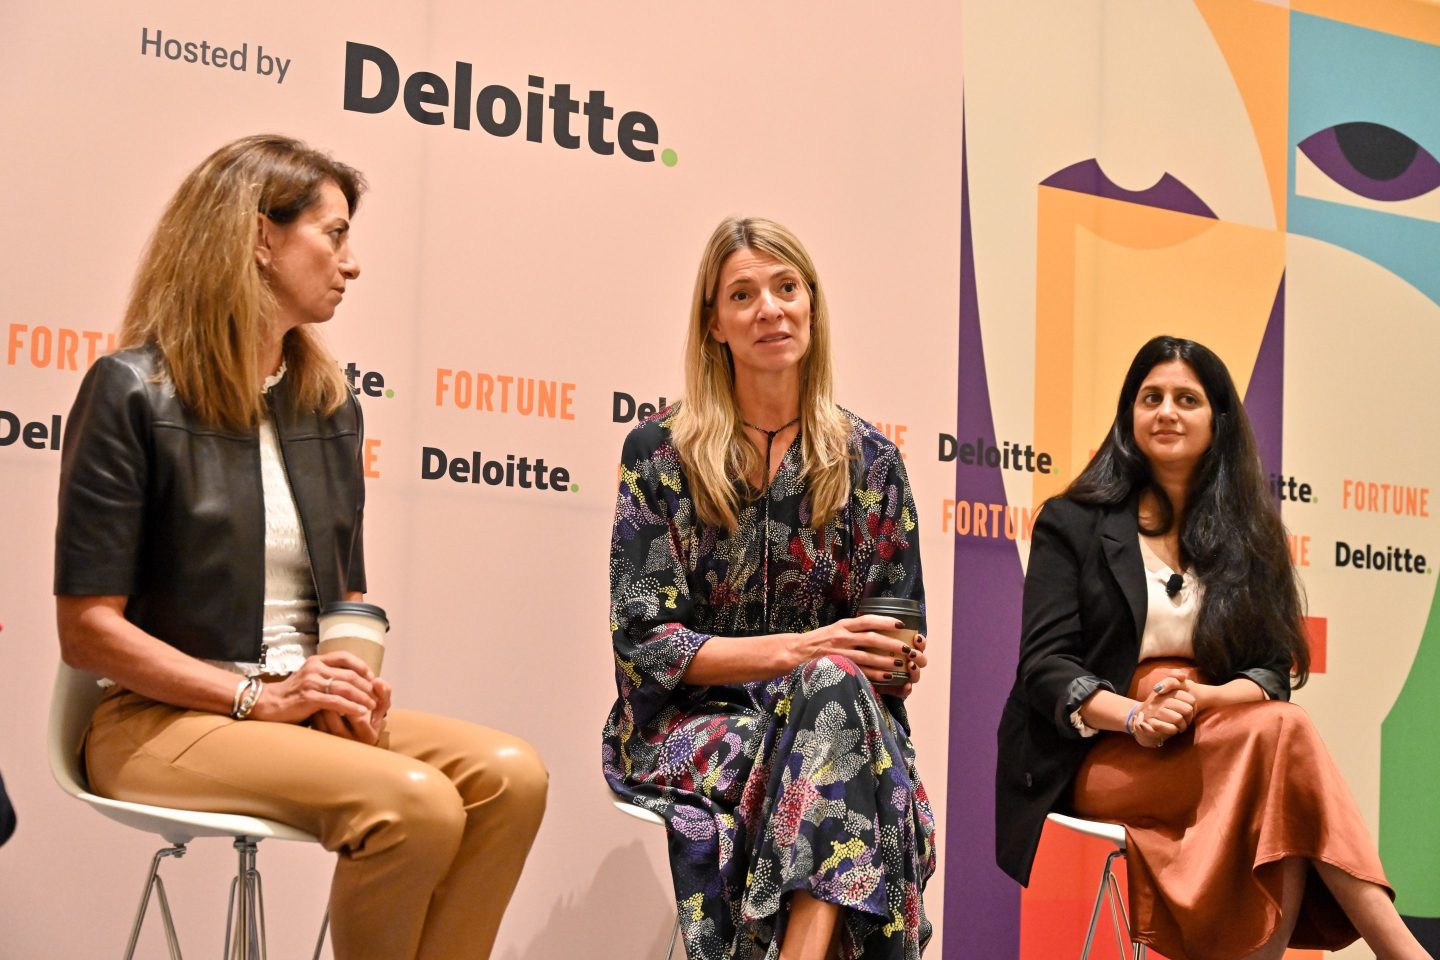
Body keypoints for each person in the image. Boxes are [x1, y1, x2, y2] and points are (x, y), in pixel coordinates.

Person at [54, 134, 547, 960]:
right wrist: (255, 699)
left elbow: (348, 592)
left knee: (511, 777)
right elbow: (88, 631)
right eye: (335, 233)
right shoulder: (132, 390)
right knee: (416, 804)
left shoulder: (326, 403)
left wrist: (344, 683)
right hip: (159, 719)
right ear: (258, 237)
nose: (351, 263)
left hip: (289, 710)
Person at [995, 335, 1431, 960]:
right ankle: (1400, 950)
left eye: (1186, 398)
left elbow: (1273, 667)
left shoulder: (1250, 533)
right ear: (1129, 415)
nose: (1166, 411)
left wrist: (1205, 698)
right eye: (1151, 397)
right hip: (1107, 753)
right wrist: (1137, 715)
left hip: (1221, 736)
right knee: (1284, 745)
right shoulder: (1073, 522)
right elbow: (1045, 666)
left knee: (1277, 747)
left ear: (1218, 419)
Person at [602, 217, 936, 960]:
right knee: (828, 720)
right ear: (713, 323)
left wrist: (888, 660)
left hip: (841, 713)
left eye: (786, 288)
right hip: (690, 727)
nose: (769, 310)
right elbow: (648, 646)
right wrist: (802, 653)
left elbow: (893, 635)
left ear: (811, 307)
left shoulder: (870, 460)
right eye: (744, 295)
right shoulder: (659, 452)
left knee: (832, 697)